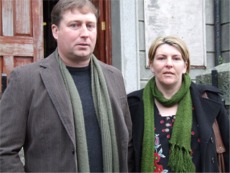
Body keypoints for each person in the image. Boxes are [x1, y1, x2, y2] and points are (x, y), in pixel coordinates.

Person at [0, 0, 133, 172]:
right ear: (55, 31)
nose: (85, 33)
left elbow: (126, 141)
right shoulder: (26, 79)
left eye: (90, 26)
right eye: (75, 25)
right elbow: (4, 150)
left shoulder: (114, 77)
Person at [128, 36, 229, 172]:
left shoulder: (208, 99)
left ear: (185, 66)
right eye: (161, 58)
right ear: (151, 65)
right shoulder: (133, 105)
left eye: (176, 58)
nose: (169, 64)